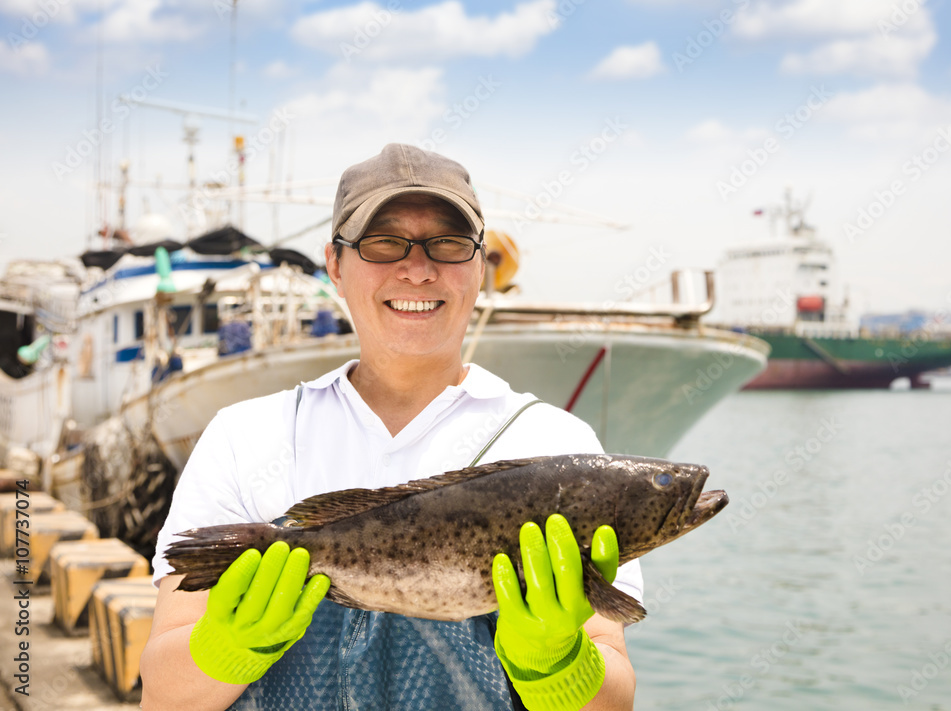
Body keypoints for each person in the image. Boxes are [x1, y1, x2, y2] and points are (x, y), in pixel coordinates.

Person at [139, 143, 642, 710]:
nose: (419, 268)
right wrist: (226, 647)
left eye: (448, 244)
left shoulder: (559, 444)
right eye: (384, 243)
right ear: (334, 262)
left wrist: (555, 662)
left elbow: (612, 702)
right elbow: (163, 698)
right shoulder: (244, 435)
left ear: (480, 266)